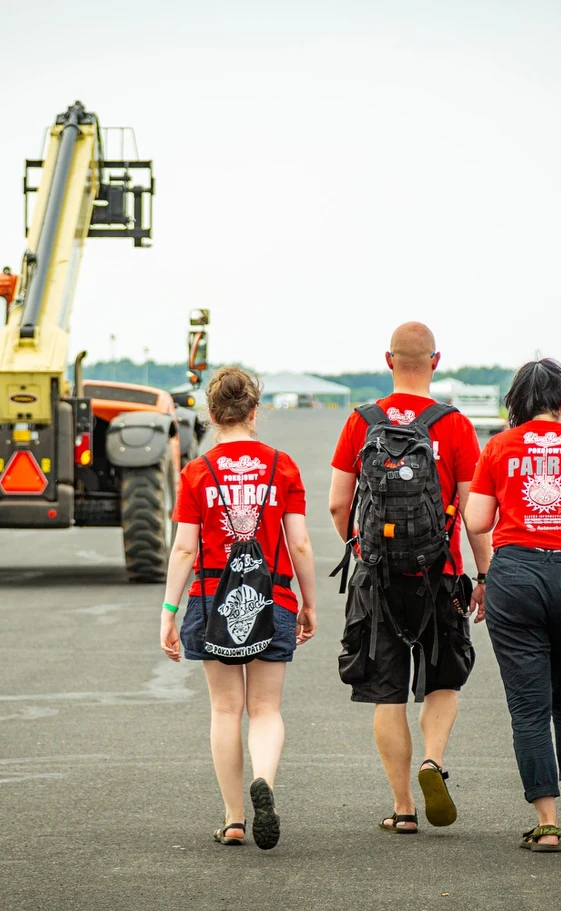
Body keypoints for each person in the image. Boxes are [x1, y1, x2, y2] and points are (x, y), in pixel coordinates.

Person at [328, 321, 491, 835]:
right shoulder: (455, 425)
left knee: (387, 692)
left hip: (377, 576)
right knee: (443, 680)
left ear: (388, 360)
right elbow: (474, 515)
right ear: (436, 362)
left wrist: (361, 548)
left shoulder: (361, 421)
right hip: (439, 573)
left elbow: (337, 504)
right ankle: (432, 760)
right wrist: (484, 576)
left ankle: (402, 809)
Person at [465, 359, 561, 852]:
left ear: (516, 403)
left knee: (528, 705)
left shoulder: (498, 446)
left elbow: (477, 519)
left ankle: (547, 822)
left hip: (515, 576)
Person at [160, 367, 317, 850]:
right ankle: (263, 778)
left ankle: (233, 818)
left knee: (225, 710)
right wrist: (309, 602)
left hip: (213, 600)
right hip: (274, 597)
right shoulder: (282, 466)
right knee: (265, 709)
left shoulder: (197, 472)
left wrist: (168, 611)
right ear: (254, 411)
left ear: (211, 415)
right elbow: (300, 543)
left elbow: (184, 549)